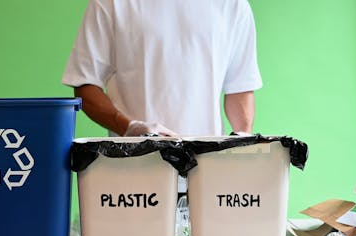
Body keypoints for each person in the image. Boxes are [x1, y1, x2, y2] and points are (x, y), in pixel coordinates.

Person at [62, 0, 262, 138]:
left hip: (206, 169)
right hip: (134, 166)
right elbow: (85, 85)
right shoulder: (112, 2)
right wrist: (130, 128)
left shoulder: (232, 4)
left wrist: (242, 143)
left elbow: (240, 86)